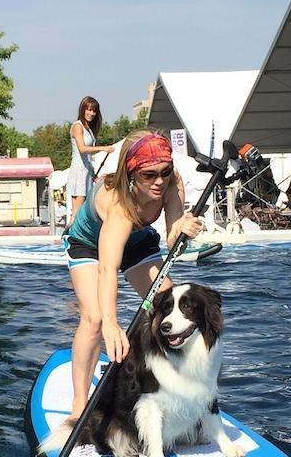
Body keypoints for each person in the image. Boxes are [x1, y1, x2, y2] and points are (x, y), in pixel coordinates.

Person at [64, 130, 202, 419]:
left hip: (136, 243)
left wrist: (184, 230)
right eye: (149, 175)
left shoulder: (171, 184)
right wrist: (112, 324)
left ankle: (170, 389)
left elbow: (172, 236)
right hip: (89, 246)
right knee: (94, 317)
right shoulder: (119, 205)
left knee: (169, 309)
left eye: (165, 172)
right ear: (131, 173)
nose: (159, 181)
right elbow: (107, 269)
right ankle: (79, 406)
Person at [66, 96, 114, 227]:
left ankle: (73, 237)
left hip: (87, 171)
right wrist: (103, 148)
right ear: (83, 110)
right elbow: (82, 148)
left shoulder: (89, 129)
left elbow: (89, 153)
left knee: (82, 211)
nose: (91, 113)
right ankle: (69, 238)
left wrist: (93, 171)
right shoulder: (77, 126)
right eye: (88, 110)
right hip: (79, 171)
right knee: (77, 211)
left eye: (94, 111)